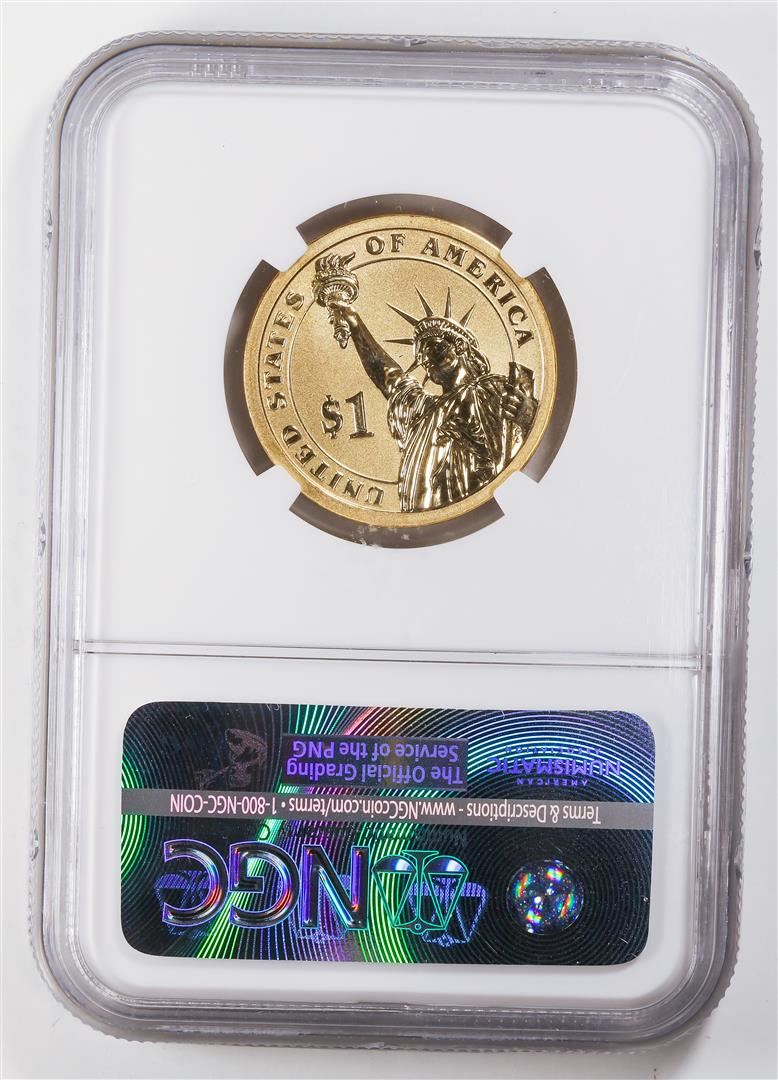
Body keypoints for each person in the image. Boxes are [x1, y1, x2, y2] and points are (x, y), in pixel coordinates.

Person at [327, 289, 537, 512]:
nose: (423, 360)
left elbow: (524, 439)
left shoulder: (492, 388)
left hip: (475, 504)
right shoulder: (424, 409)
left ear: (459, 346)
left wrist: (527, 414)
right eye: (419, 356)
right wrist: (354, 322)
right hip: (422, 512)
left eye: (430, 348)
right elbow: (386, 374)